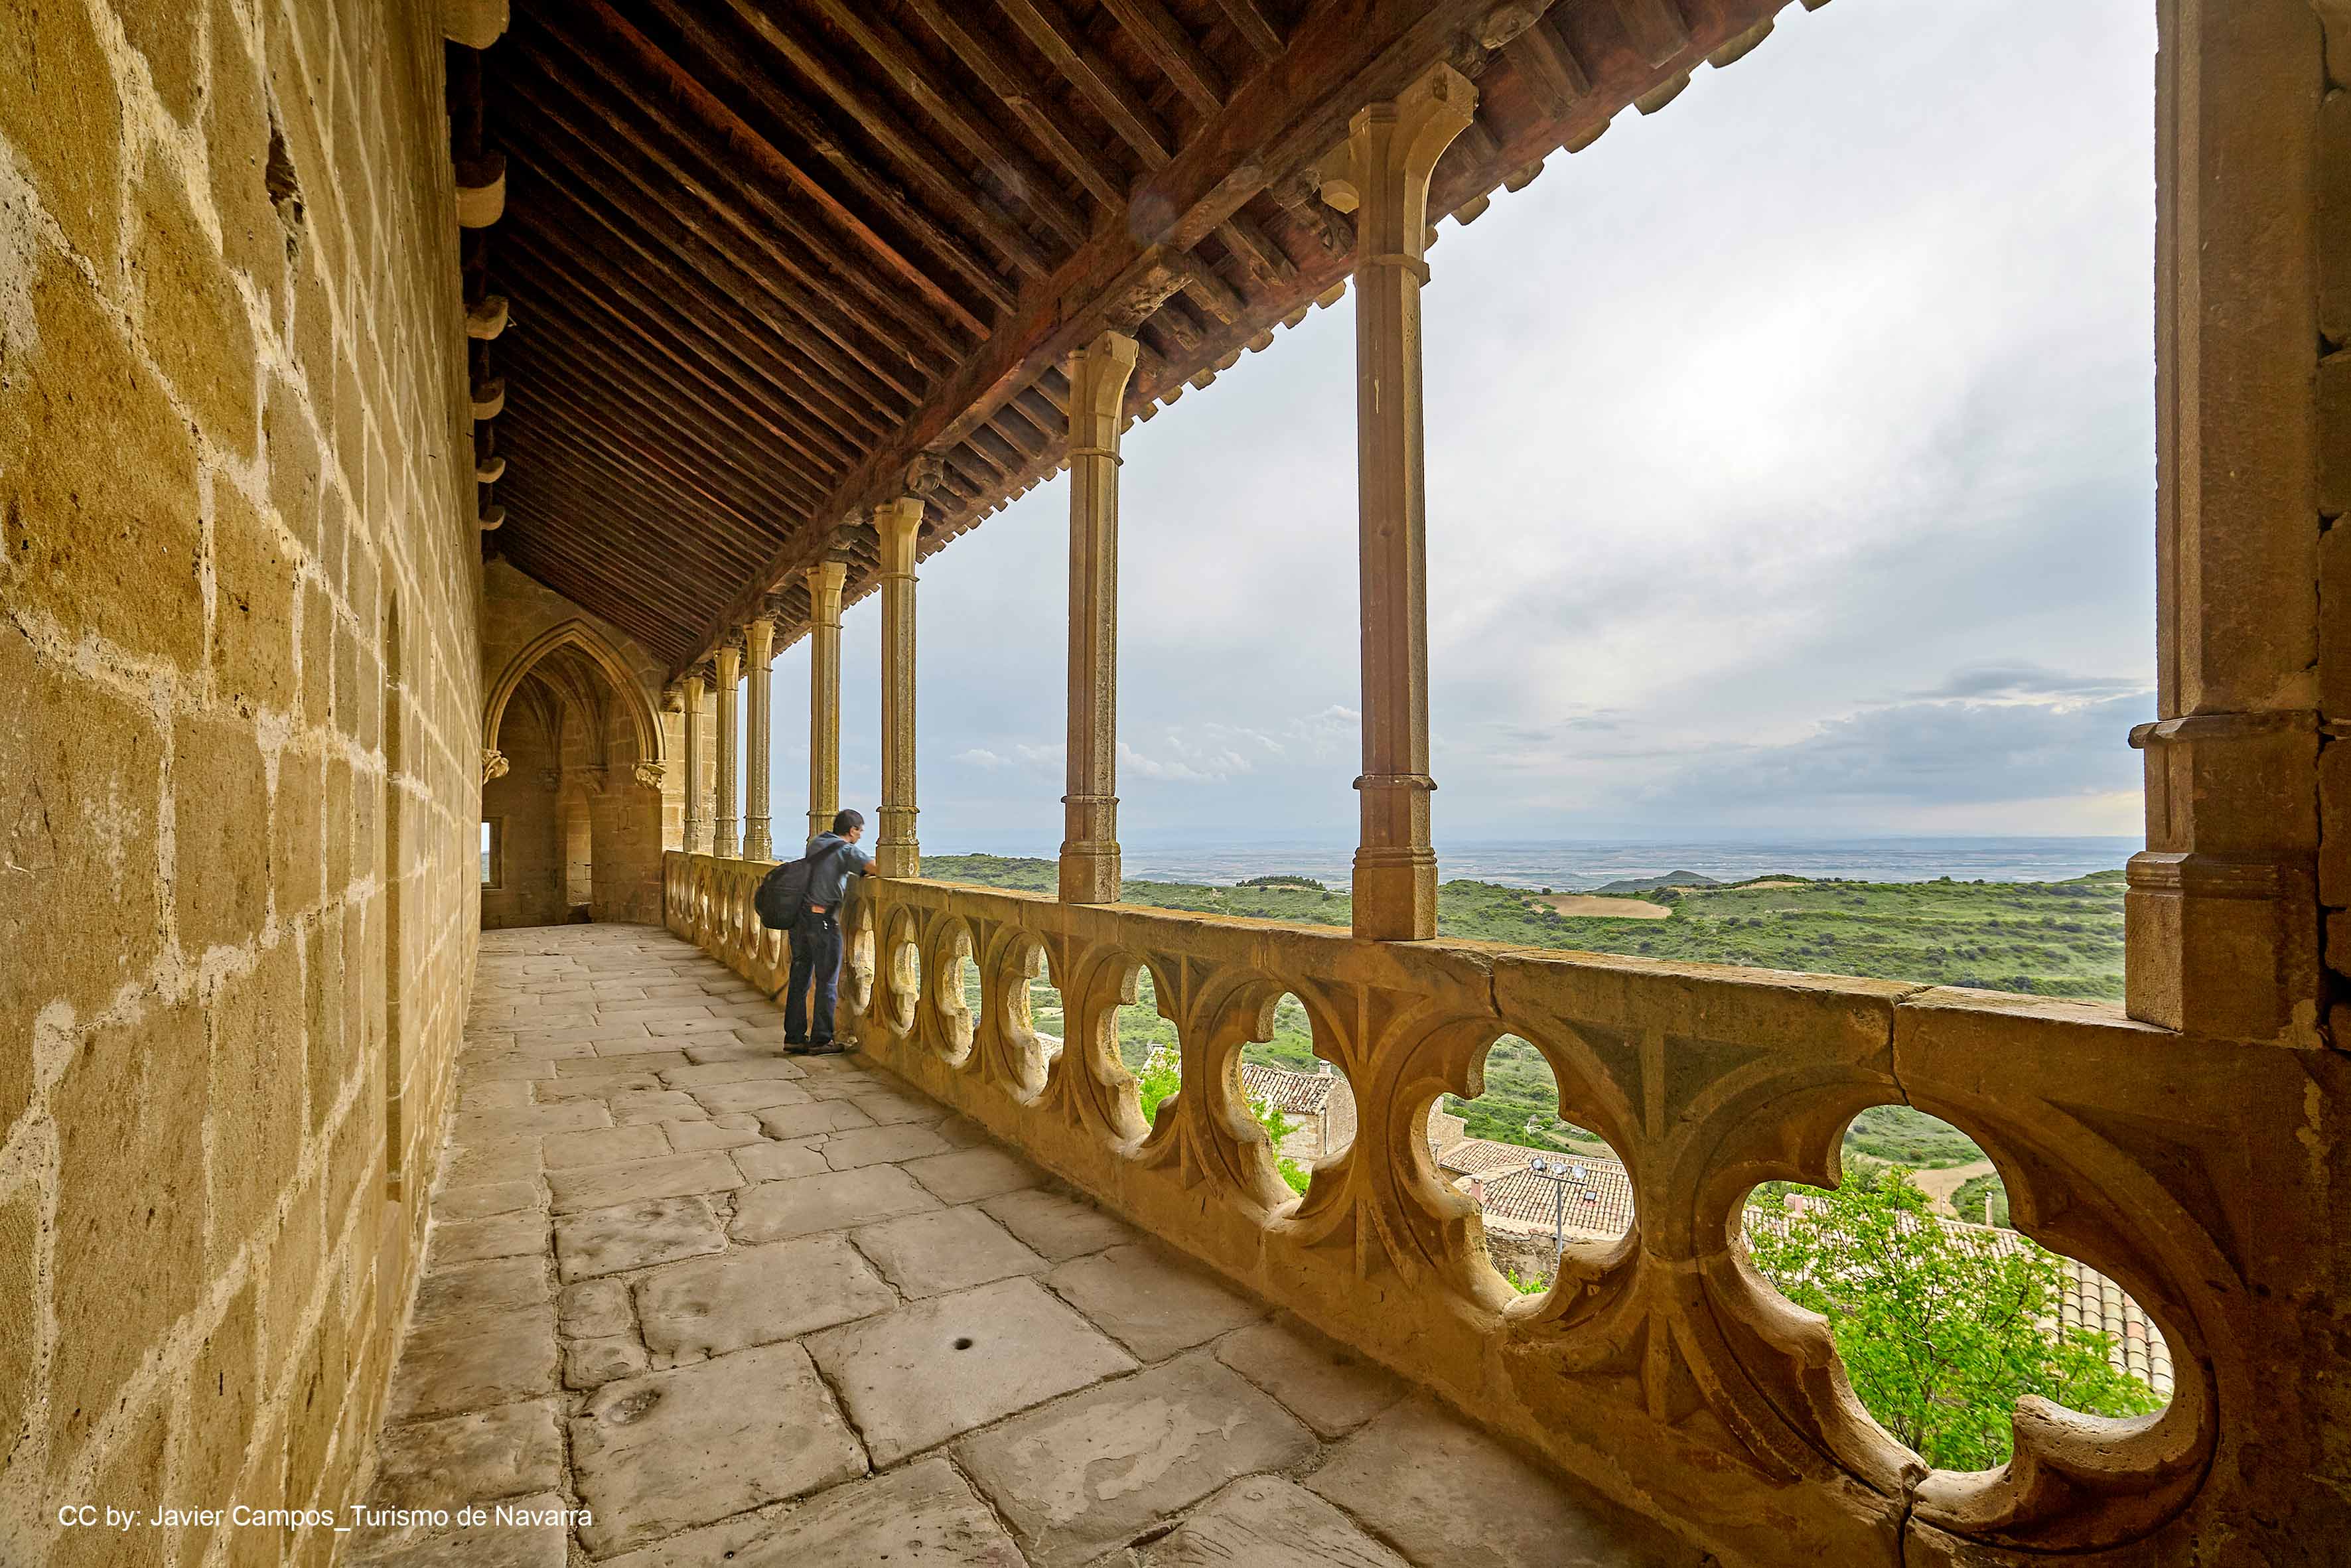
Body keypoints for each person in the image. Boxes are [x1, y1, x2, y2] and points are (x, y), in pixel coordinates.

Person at [782, 808, 874, 1054]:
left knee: (800, 977)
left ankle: (793, 1037)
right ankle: (822, 1039)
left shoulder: (817, 842)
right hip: (822, 921)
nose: (860, 836)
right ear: (852, 830)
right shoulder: (845, 850)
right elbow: (874, 867)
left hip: (800, 918)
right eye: (860, 831)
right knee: (827, 981)